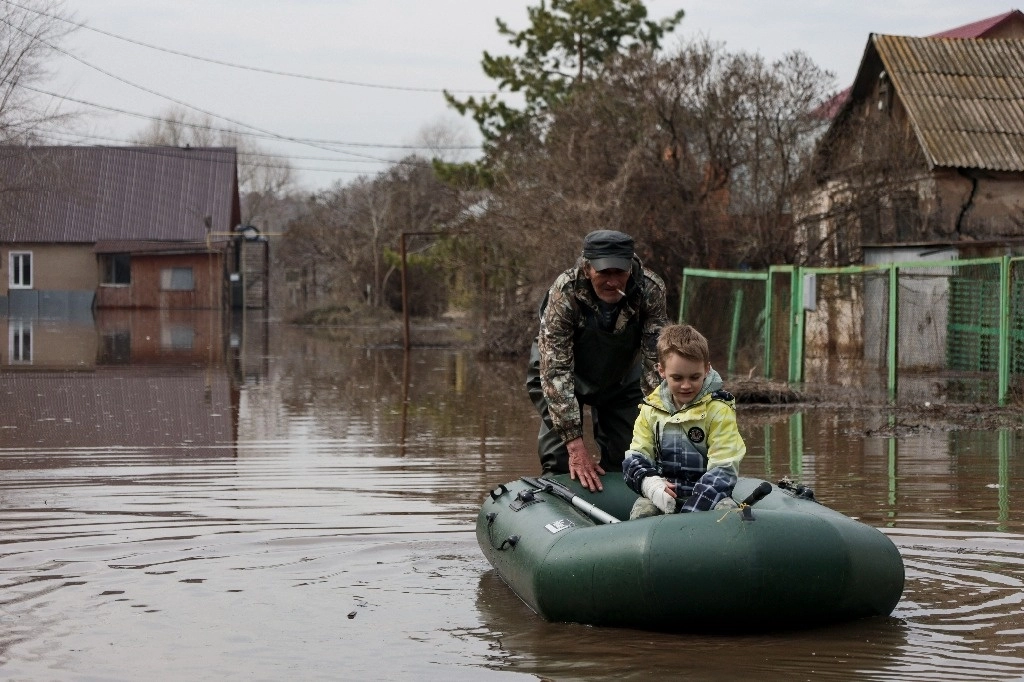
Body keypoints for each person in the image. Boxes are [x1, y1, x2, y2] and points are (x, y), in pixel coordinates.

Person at [526, 229, 668, 492]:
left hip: (621, 376)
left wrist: (657, 423)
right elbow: (555, 370)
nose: (613, 282)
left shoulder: (650, 289)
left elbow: (655, 363)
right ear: (588, 267)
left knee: (632, 457)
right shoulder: (564, 291)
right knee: (559, 459)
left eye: (620, 273)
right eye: (604, 273)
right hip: (560, 373)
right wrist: (575, 443)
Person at [621, 324, 746, 518]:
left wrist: (690, 514)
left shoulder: (719, 410)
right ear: (661, 371)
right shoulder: (649, 410)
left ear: (706, 369)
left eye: (694, 377)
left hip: (710, 498)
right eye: (677, 378)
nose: (686, 385)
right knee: (642, 512)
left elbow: (724, 469)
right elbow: (635, 457)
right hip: (664, 495)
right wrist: (650, 484)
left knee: (727, 515)